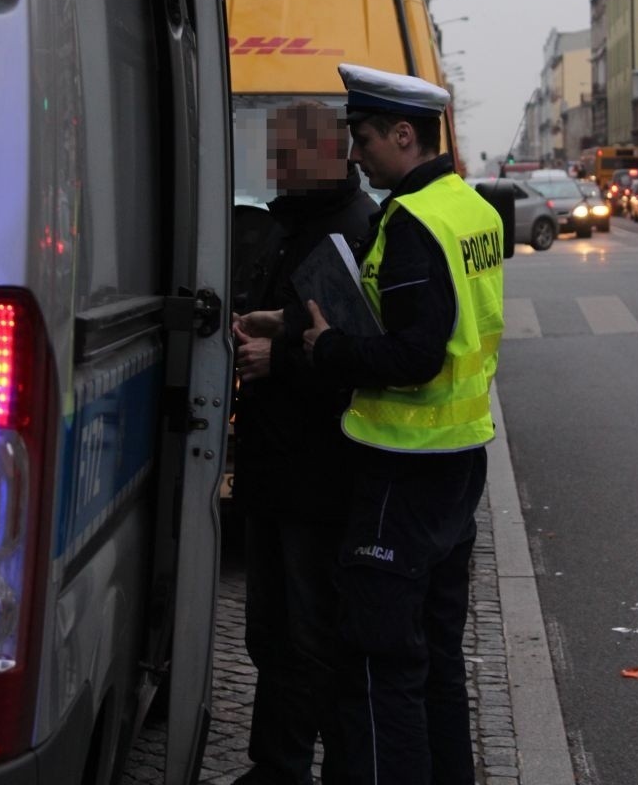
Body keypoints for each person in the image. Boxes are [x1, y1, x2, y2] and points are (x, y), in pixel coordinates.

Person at [297, 63, 505, 785]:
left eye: (362, 138)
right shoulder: (469, 207)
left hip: (403, 467)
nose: (353, 154)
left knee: (385, 665)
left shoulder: (414, 221)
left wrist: (330, 347)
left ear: (403, 134)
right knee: (437, 656)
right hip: (457, 464)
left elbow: (415, 353)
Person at [232, 101, 378, 785]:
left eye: (287, 154)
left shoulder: (355, 229)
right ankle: (278, 764)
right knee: (269, 631)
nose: (275, 167)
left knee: (308, 634)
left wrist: (275, 357)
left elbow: (357, 355)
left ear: (330, 153)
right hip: (273, 465)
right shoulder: (289, 222)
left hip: (318, 473)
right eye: (273, 153)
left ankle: (292, 768)